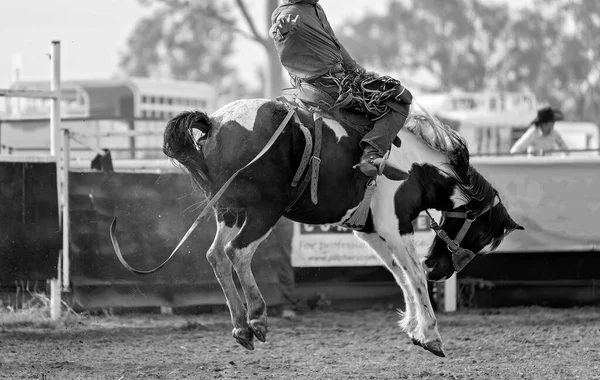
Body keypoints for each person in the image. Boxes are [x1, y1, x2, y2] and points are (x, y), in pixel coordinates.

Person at [269, 0, 413, 178]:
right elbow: (278, 29)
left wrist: (360, 72)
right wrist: (281, 29)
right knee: (401, 99)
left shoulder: (315, 9)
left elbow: (336, 44)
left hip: (340, 79)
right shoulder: (287, 12)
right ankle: (371, 154)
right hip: (329, 85)